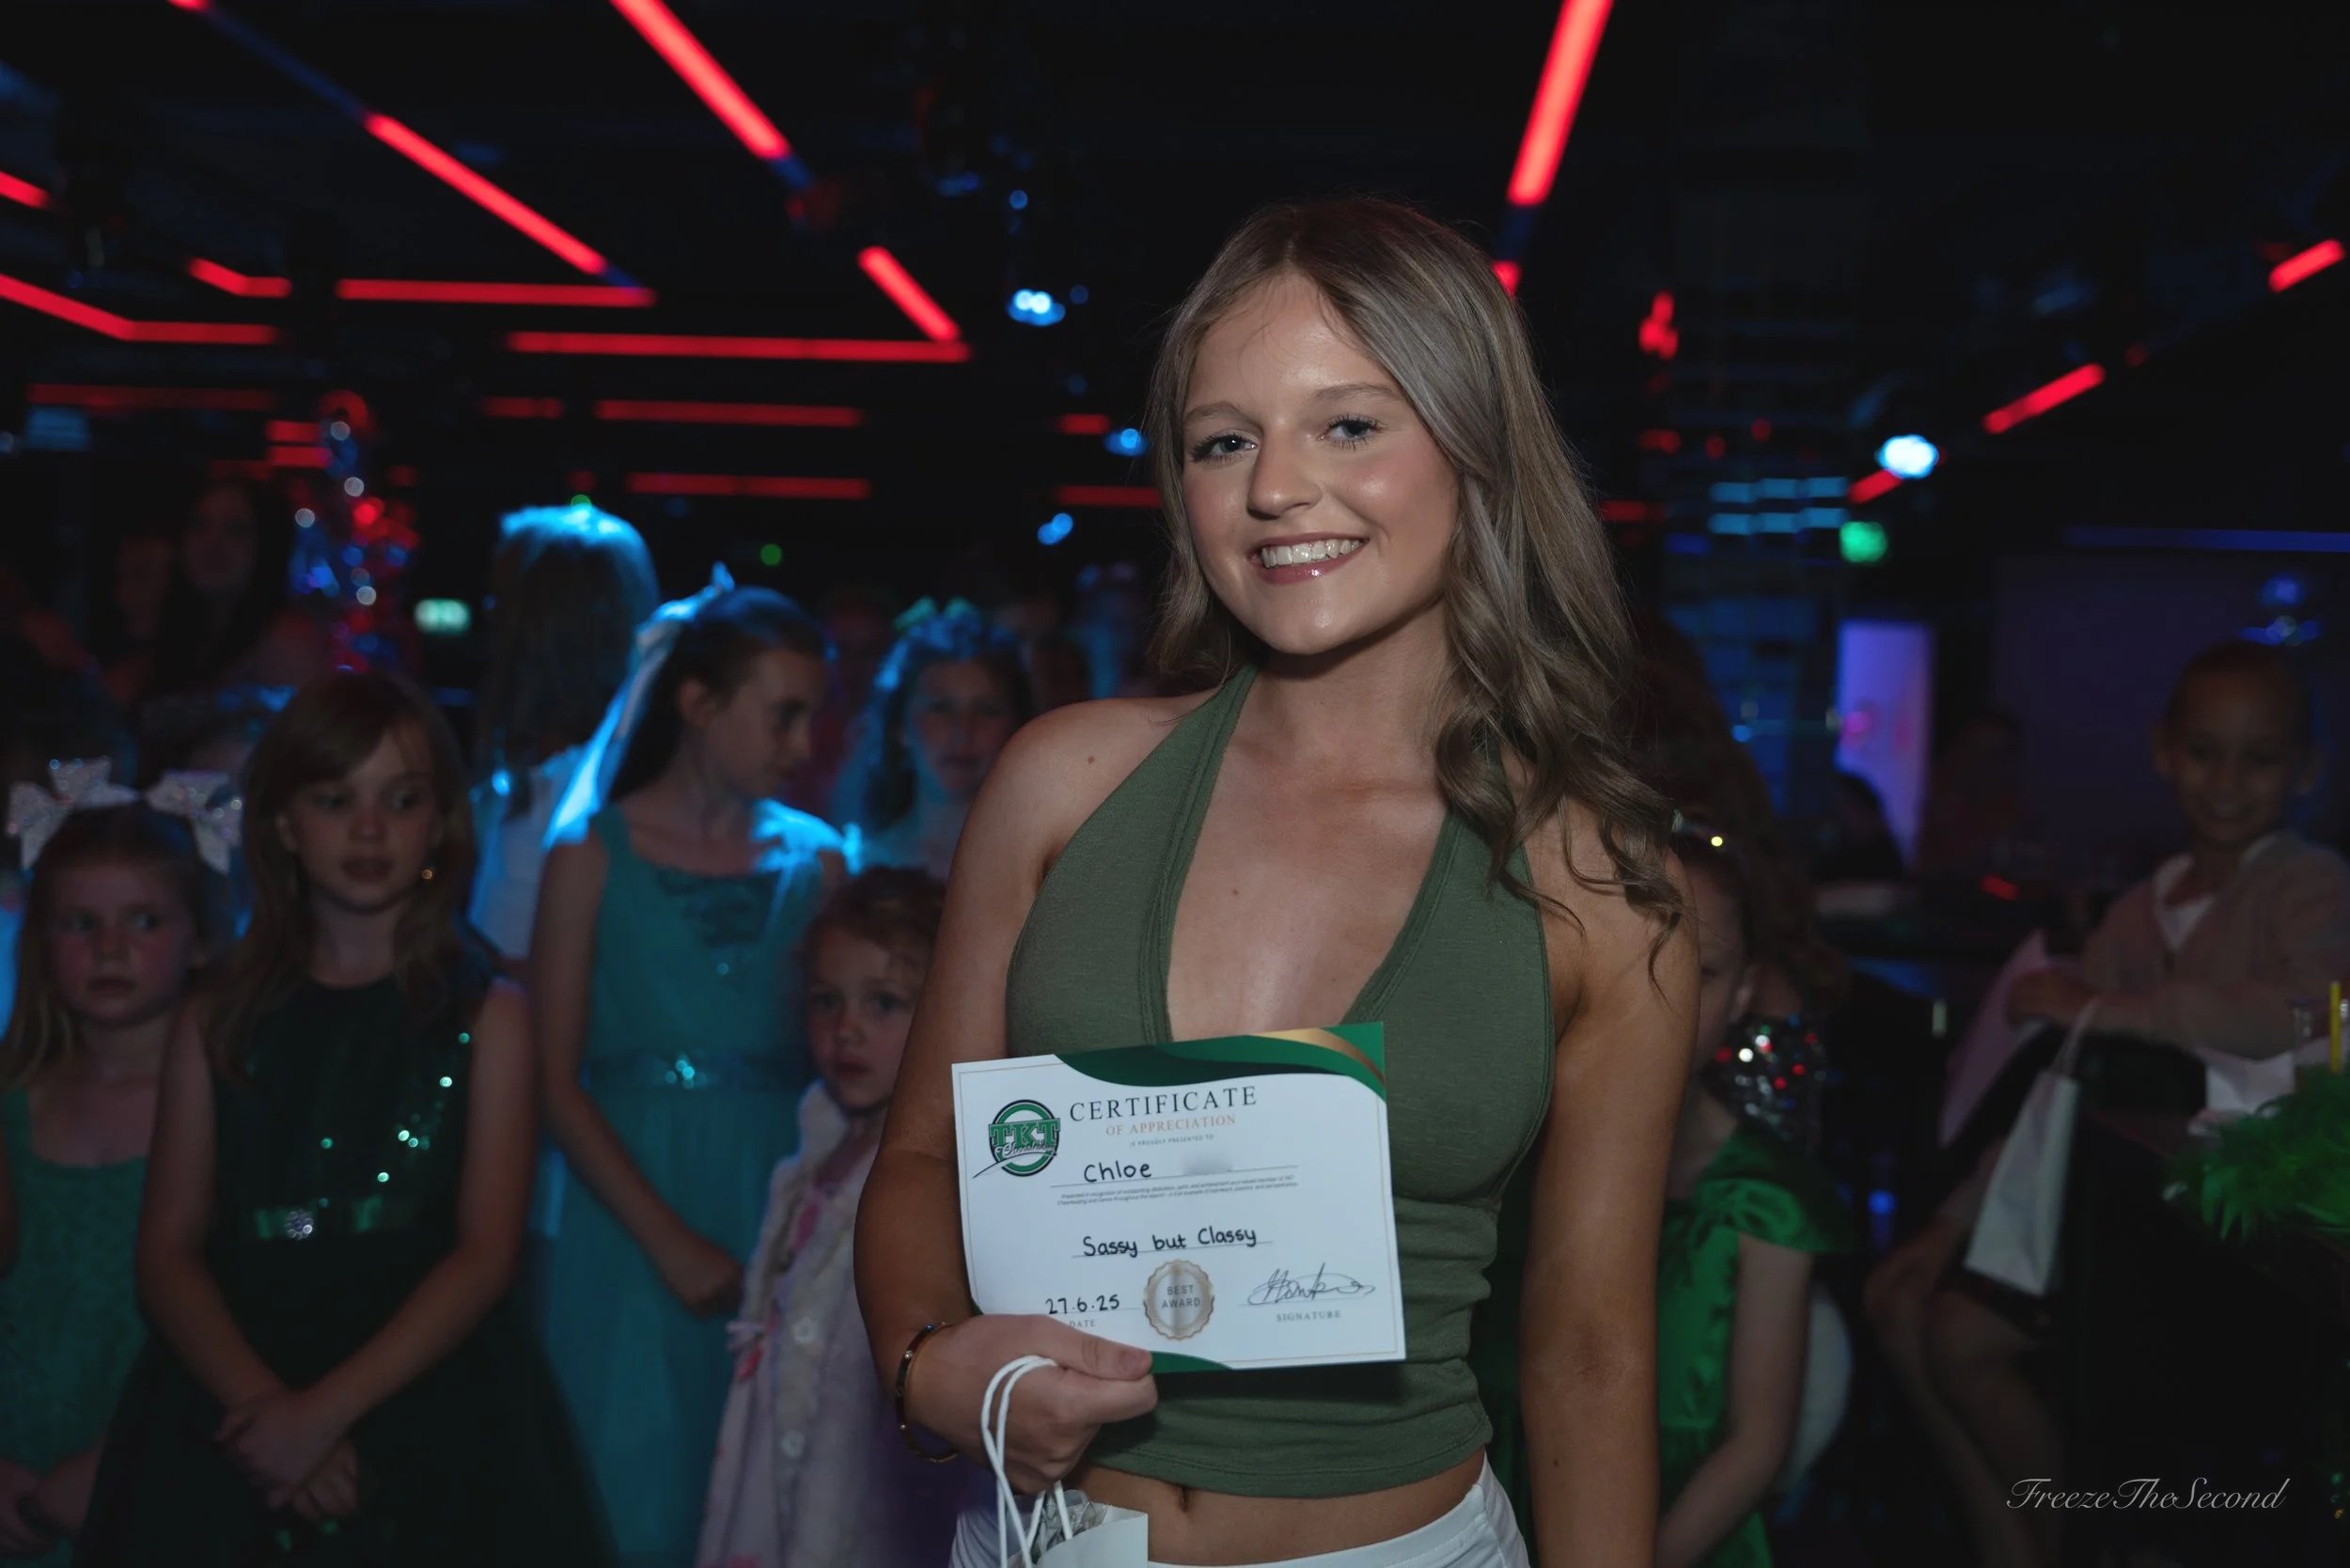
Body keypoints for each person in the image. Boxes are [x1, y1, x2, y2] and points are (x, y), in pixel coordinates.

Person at [856, 197, 1696, 1568]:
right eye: (1223, 440)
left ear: (1478, 450)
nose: (1274, 488)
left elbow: (1594, 1351)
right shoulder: (1064, 784)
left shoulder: (1596, 879)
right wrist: (923, 1364)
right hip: (1054, 1540)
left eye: (1349, 424)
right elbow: (923, 1158)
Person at [74, 671, 610, 1565]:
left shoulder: (492, 1017)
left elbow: (486, 1252)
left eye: (401, 801)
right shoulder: (217, 1016)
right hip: (233, 1380)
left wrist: (323, 1414)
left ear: (439, 823)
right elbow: (167, 1248)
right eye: (335, 799)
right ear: (283, 823)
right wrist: (269, 1418)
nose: (369, 830)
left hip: (424, 1389)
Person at [1865, 637, 2350, 1568]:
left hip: (2225, 1256)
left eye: (2258, 759)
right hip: (2109, 1217)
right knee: (1899, 1303)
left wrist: (2113, 1009)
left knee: (1961, 1341)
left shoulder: (2309, 885)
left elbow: (2294, 1012)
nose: (2225, 782)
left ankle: (2067, 1543)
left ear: (2305, 771)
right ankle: (2015, 1544)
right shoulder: (2138, 908)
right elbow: (2054, 1090)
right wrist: (1951, 1223)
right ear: (2165, 752)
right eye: (2204, 752)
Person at [532, 584, 845, 1568]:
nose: (802, 742)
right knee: (634, 1489)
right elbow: (550, 1079)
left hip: (774, 1193)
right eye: (781, 713)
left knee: (769, 1491)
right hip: (629, 1213)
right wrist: (666, 1241)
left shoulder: (818, 860)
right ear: (699, 703)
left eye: (813, 716)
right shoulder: (590, 855)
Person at [698, 868, 964, 1568]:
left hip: (869, 1499)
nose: (846, 1028)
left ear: (947, 1011)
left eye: (883, 1002)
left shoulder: (945, 1174)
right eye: (827, 1001)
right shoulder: (811, 1152)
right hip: (772, 1480)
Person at [0, 791, 226, 1564]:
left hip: (169, 1463)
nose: (109, 948)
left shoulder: (239, 1106)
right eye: (79, 923)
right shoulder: (11, 1105)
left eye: (144, 921)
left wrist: (128, 1461)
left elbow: (287, 1252)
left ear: (199, 940)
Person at [468, 504, 659, 963]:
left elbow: (510, 970)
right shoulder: (530, 778)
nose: (489, 614)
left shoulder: (569, 800)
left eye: (502, 600)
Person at [840, 606, 1031, 881]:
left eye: (987, 710)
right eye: (940, 708)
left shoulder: (1039, 869)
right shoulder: (859, 865)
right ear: (900, 726)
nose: (963, 732)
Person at [135, 478, 332, 707]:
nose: (213, 544)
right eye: (200, 526)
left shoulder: (288, 644)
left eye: (236, 530)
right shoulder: (175, 640)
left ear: (267, 545)